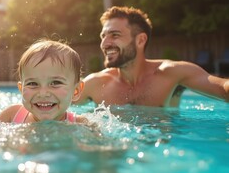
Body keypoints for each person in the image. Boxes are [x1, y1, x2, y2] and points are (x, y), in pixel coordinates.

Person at [77, 6, 229, 107]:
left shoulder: (172, 73)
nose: (105, 43)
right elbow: (59, 106)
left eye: (114, 35)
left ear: (140, 40)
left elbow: (223, 89)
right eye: (103, 36)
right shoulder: (95, 84)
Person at [0, 38, 89, 123]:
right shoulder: (11, 116)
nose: (43, 93)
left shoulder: (80, 124)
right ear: (21, 89)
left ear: (76, 91)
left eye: (55, 83)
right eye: (32, 84)